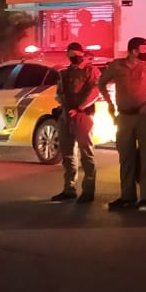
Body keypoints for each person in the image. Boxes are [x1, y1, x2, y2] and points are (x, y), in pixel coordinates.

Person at [98, 37, 146, 211]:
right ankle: (127, 196)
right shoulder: (117, 66)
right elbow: (101, 83)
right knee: (126, 157)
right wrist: (110, 103)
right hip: (124, 117)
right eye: (144, 49)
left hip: (145, 117)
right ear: (133, 50)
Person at [52, 41, 100, 203]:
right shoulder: (64, 73)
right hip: (66, 115)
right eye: (70, 54)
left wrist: (79, 108)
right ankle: (69, 188)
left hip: (83, 115)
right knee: (67, 154)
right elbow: (58, 93)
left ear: (82, 53)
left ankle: (88, 190)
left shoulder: (90, 71)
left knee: (86, 154)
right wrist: (63, 105)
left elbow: (95, 91)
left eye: (76, 54)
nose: (74, 57)